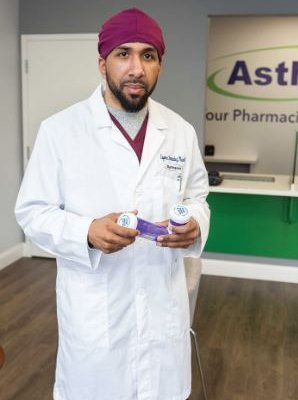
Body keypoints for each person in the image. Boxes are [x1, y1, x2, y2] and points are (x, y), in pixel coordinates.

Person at [15, 8, 210, 400]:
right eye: (124, 54)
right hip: (96, 319)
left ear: (160, 65)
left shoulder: (180, 132)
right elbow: (32, 212)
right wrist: (86, 231)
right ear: (103, 63)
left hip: (162, 311)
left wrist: (195, 226)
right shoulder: (60, 131)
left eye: (148, 55)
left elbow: (197, 196)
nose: (136, 67)